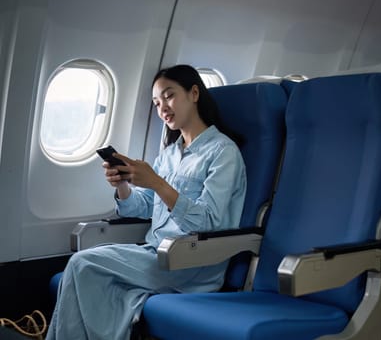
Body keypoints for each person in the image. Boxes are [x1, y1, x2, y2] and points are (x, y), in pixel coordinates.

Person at [46, 65, 247, 340]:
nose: (162, 107)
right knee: (89, 273)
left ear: (194, 93)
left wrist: (156, 182)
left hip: (189, 262)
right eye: (156, 103)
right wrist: (123, 186)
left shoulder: (224, 153)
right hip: (156, 253)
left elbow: (208, 223)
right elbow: (142, 207)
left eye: (169, 96)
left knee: (83, 264)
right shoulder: (170, 154)